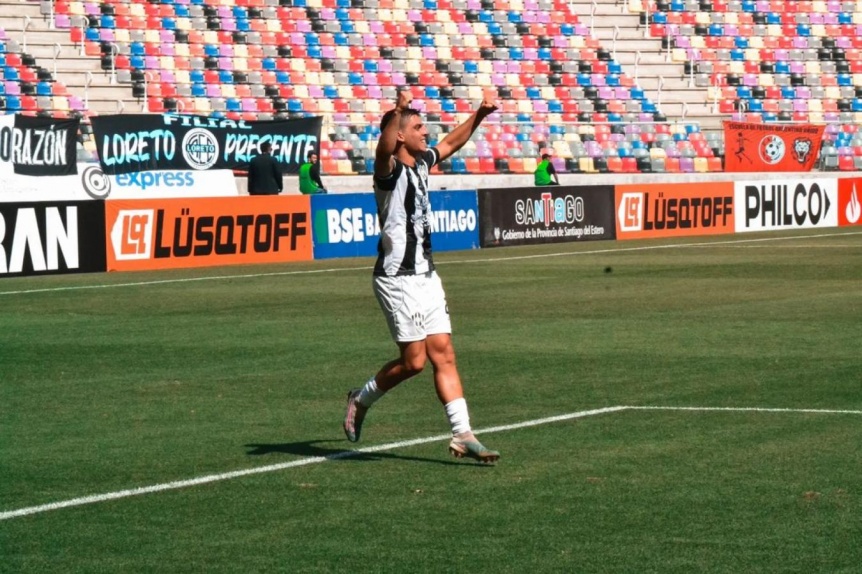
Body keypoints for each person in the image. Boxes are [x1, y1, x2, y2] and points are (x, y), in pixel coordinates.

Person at [343, 90, 500, 464]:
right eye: (416, 127)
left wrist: (479, 114)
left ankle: (463, 434)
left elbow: (450, 142)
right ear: (399, 134)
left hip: (426, 276)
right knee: (414, 362)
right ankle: (360, 399)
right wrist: (396, 111)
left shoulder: (421, 165)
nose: (425, 132)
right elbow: (382, 151)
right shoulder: (389, 172)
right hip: (397, 279)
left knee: (444, 353)